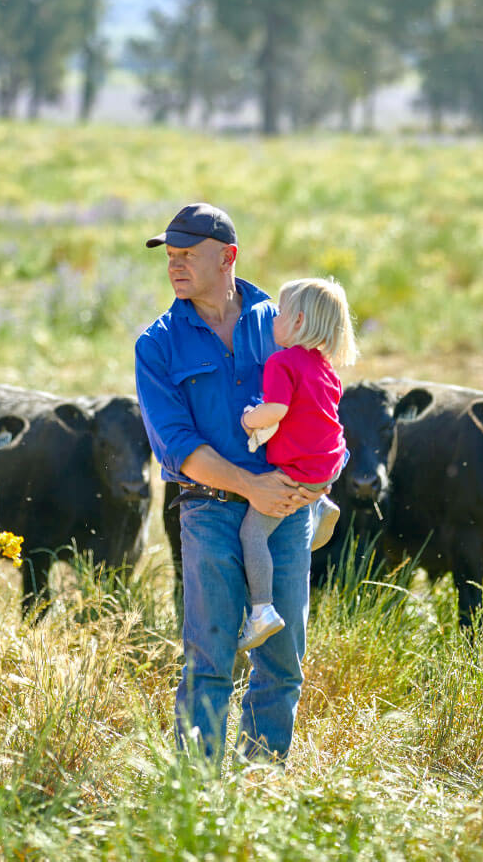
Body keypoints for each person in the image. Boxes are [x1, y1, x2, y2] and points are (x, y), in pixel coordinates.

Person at [135, 202, 325, 765]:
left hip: (286, 504)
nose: (175, 266)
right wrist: (252, 487)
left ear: (228, 258)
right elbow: (179, 447)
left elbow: (321, 395)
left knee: (283, 657)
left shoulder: (281, 320)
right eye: (170, 256)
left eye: (187, 255)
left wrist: (312, 484)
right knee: (210, 656)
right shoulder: (158, 344)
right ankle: (199, 791)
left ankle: (262, 775)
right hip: (210, 509)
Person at [237, 277, 356, 651]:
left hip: (296, 473)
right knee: (310, 485)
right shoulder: (326, 369)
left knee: (252, 534)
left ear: (299, 321)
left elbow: (278, 410)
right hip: (331, 465)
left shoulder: (281, 362)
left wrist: (250, 419)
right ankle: (319, 501)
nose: (273, 319)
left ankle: (261, 609)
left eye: (281, 313)